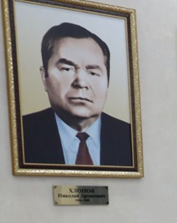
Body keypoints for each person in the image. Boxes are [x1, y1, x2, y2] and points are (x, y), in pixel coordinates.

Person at [22, 23, 133, 166]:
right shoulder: (22, 133)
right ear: (44, 77)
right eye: (67, 69)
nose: (81, 82)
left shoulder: (130, 137)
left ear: (108, 81)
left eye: (93, 73)